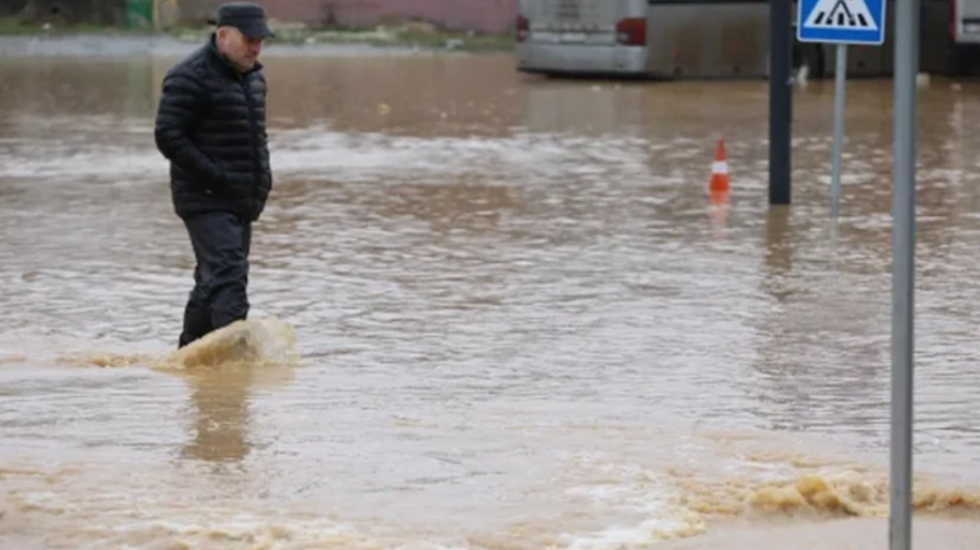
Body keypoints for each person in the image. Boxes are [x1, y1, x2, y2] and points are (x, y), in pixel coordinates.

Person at [154, 2, 275, 349]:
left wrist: (262, 182)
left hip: (240, 198)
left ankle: (191, 354)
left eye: (260, 40)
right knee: (229, 279)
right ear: (223, 35)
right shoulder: (188, 76)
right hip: (204, 199)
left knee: (212, 281)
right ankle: (235, 370)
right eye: (249, 39)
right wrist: (216, 175)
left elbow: (257, 138)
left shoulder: (254, 79)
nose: (256, 47)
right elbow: (168, 135)